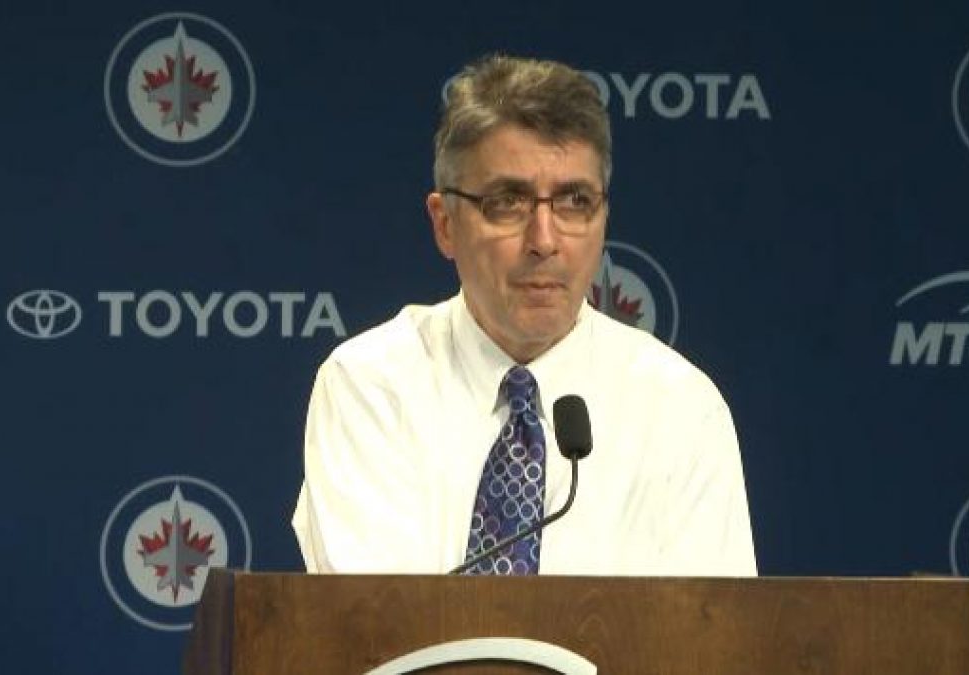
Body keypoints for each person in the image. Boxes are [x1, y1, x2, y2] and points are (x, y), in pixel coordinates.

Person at [292, 55, 756, 576]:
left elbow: (711, 623)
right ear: (445, 225)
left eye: (574, 201)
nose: (544, 240)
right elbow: (375, 614)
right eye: (508, 201)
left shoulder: (680, 409)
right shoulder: (372, 385)